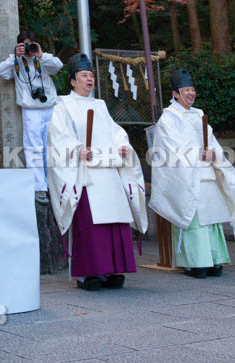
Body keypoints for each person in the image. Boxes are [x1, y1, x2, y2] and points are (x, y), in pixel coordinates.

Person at [47, 53, 147, 291]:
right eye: (84, 75)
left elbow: (115, 131)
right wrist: (75, 151)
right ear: (73, 81)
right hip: (86, 174)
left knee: (115, 221)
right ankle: (88, 273)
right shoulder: (62, 106)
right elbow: (57, 139)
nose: (89, 79)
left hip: (109, 171)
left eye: (91, 75)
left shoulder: (100, 105)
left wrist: (123, 145)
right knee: (90, 224)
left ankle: (113, 269)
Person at [149, 69, 235, 278]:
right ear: (176, 94)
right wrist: (197, 153)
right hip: (186, 177)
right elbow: (169, 150)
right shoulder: (168, 118)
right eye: (186, 90)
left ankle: (214, 259)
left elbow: (213, 143)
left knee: (212, 217)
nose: (191, 93)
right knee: (193, 217)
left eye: (192, 89)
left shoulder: (199, 114)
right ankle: (195, 261)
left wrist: (213, 154)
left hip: (206, 175)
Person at [0, 31, 63, 203]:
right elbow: (0, 72)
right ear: (19, 45)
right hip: (31, 110)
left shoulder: (42, 60)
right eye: (25, 45)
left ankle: (54, 185)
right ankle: (39, 187)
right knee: (34, 148)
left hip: (50, 107)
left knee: (52, 147)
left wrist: (41, 55)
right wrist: (14, 56)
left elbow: (58, 66)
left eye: (31, 44)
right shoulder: (16, 63)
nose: (28, 48)